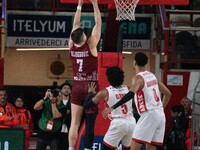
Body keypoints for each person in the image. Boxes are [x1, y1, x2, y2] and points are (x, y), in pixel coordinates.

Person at [102, 52, 172, 150]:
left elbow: (130, 94)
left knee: (134, 147)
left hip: (148, 115)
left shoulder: (138, 78)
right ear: (146, 63)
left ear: (134, 62)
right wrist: (161, 109)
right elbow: (168, 94)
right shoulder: (152, 76)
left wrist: (112, 107)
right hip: (160, 115)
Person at [68, 0, 102, 149]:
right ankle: (87, 148)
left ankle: (70, 148)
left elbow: (75, 26)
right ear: (83, 37)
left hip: (77, 85)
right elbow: (98, 23)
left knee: (74, 122)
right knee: (89, 122)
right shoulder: (91, 44)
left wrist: (79, 5)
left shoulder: (71, 46)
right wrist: (94, 4)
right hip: (91, 86)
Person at [83, 66, 136, 150]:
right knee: (127, 148)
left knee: (107, 147)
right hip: (131, 122)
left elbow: (86, 105)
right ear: (122, 77)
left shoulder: (104, 92)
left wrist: (90, 93)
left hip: (118, 122)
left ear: (109, 78)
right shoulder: (128, 89)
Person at [57, 82, 72, 150]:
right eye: (64, 88)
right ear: (61, 91)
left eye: (68, 88)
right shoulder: (57, 102)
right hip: (57, 130)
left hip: (69, 131)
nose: (66, 90)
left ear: (70, 91)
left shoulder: (73, 103)